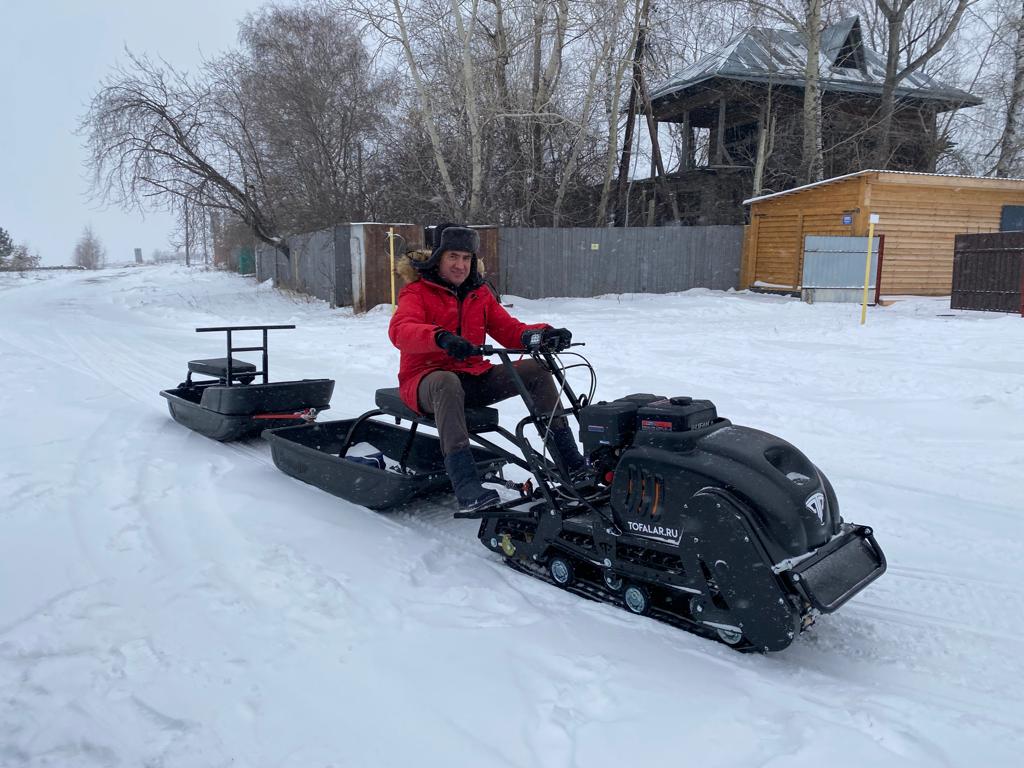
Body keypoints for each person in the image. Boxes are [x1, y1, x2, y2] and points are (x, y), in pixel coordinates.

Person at [388, 223, 585, 513]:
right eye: (453, 257)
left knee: (537, 370)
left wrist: (542, 334)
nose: (460, 265)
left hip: (472, 377)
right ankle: (466, 485)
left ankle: (572, 466)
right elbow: (401, 330)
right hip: (425, 382)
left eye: (466, 258)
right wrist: (440, 338)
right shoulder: (416, 293)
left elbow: (509, 330)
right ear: (437, 258)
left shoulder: (478, 294)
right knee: (446, 381)